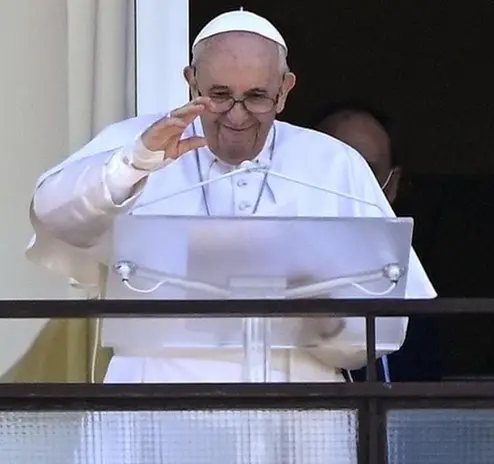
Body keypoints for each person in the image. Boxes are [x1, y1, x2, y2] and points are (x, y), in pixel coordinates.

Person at [25, 9, 435, 462]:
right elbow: (52, 215)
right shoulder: (139, 141)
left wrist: (322, 313)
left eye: (257, 96)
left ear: (285, 90)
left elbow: (386, 314)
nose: (237, 116)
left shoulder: (334, 165)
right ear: (191, 81)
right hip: (156, 410)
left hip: (298, 420)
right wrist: (135, 163)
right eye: (219, 96)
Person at [312, 101, 441, 382]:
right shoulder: (275, 264)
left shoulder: (414, 290)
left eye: (366, 173)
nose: (351, 183)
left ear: (392, 184)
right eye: (338, 168)